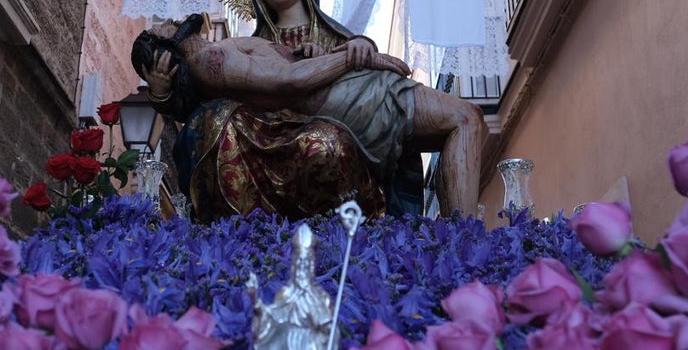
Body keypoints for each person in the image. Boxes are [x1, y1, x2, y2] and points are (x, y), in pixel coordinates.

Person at [133, 11, 487, 217]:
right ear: (165, 49)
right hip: (353, 97)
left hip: (352, 88)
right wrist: (357, 57)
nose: (167, 19)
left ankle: (459, 237)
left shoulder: (221, 50)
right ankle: (464, 242)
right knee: (465, 118)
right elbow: (289, 82)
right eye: (158, 28)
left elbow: (290, 68)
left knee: (464, 119)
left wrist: (316, 53)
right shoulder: (210, 60)